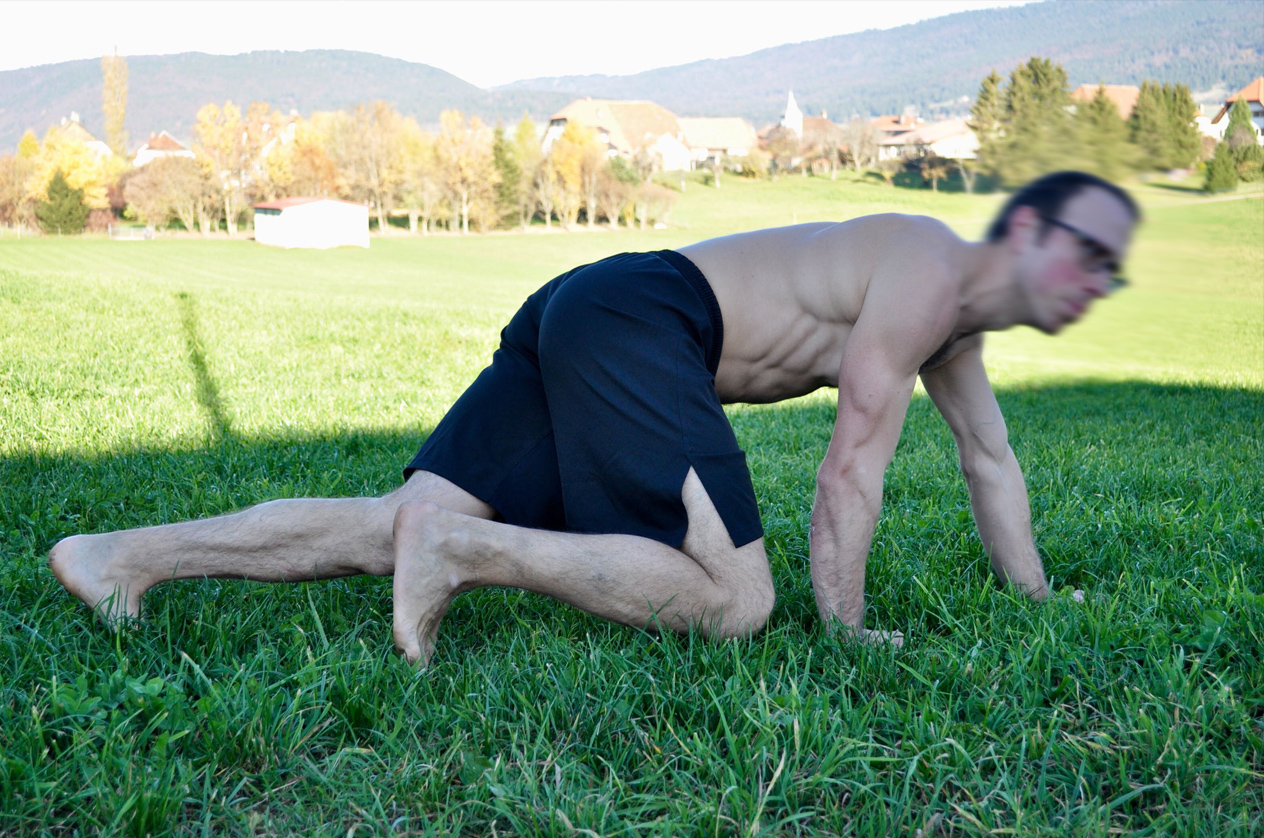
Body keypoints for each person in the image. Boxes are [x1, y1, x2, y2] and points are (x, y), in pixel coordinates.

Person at [49, 171, 1138, 665]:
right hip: (645, 317)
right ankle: (470, 549)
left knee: (398, 520)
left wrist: (1035, 596)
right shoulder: (924, 269)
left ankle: (118, 558)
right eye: (1087, 251)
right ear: (1028, 227)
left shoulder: (957, 329)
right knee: (735, 604)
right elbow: (850, 466)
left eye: (1113, 267)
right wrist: (845, 628)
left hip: (595, 305)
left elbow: (989, 460)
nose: (1099, 280)